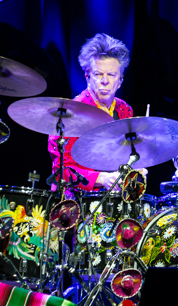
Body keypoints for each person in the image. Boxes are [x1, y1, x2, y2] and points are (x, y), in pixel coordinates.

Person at [47, 33, 135, 191]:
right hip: (76, 199)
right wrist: (102, 179)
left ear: (120, 81)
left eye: (111, 75)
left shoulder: (125, 110)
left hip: (114, 198)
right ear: (87, 77)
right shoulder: (68, 114)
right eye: (98, 74)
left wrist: (134, 173)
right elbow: (62, 171)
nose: (105, 81)